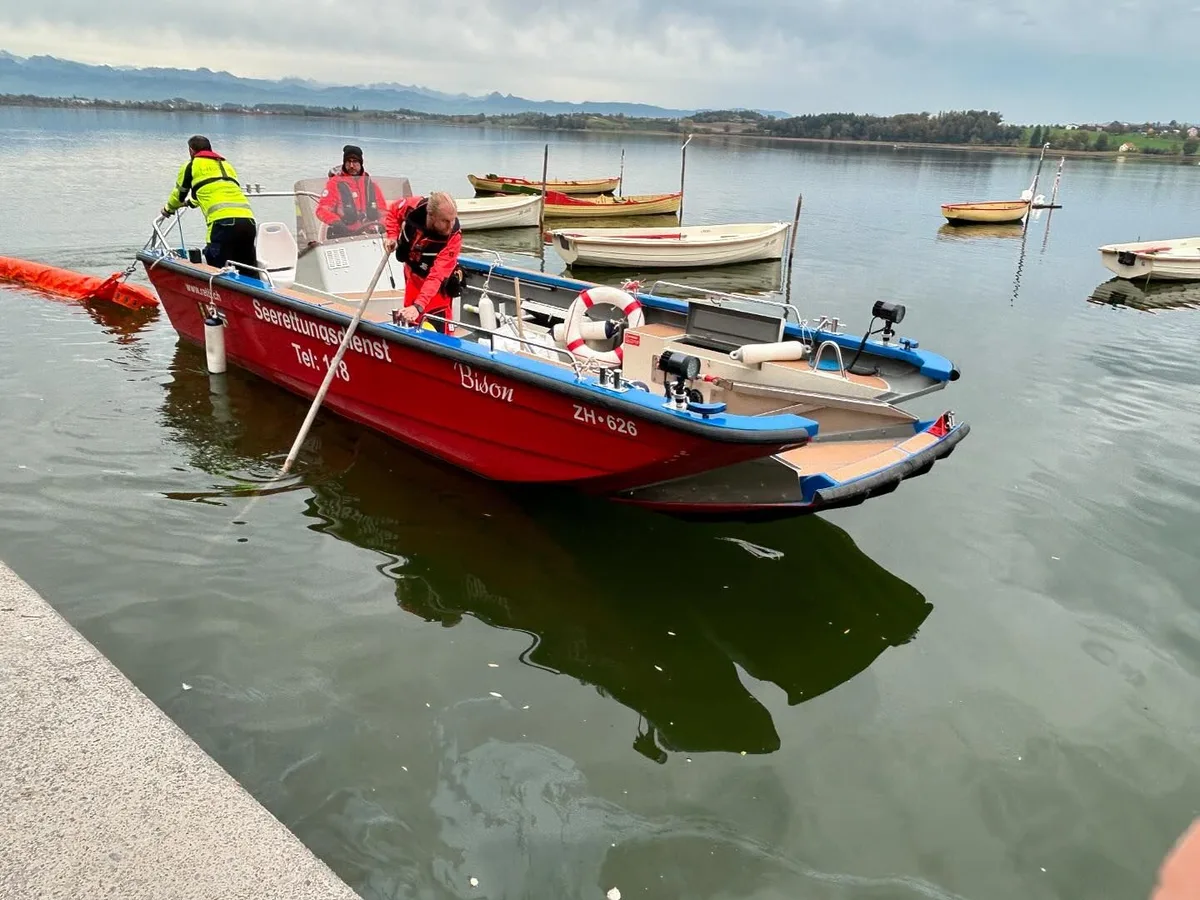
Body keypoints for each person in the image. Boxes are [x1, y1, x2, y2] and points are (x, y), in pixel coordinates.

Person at [160, 135, 257, 271]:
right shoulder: (226, 165)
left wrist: (168, 209)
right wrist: (190, 203)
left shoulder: (191, 165)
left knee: (215, 266)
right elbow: (215, 191)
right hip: (248, 222)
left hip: (222, 224)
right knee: (248, 269)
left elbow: (179, 194)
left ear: (191, 150)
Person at [384, 191, 463, 333]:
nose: (450, 225)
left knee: (439, 330)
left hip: (437, 289)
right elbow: (392, 212)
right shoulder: (412, 207)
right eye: (445, 221)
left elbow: (437, 275)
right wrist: (392, 236)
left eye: (453, 220)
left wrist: (418, 306)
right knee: (410, 322)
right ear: (431, 216)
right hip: (412, 277)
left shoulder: (454, 238)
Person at [316, 144, 388, 239]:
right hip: (345, 235)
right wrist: (336, 222)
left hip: (370, 236)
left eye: (355, 162)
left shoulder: (371, 185)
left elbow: (383, 213)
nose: (351, 166)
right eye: (348, 162)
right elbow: (322, 210)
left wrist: (382, 225)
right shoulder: (334, 184)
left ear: (361, 163)